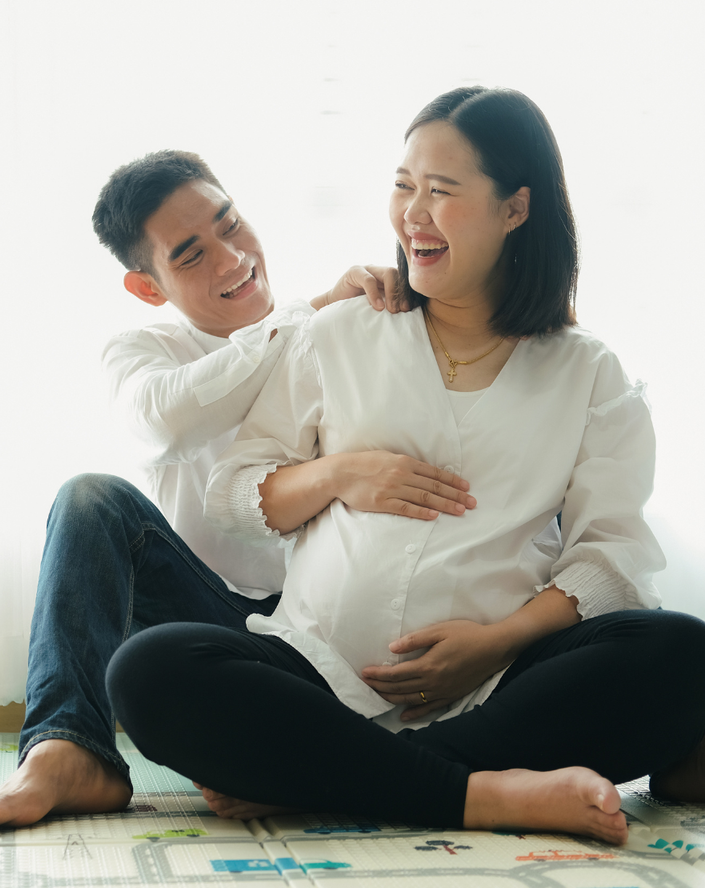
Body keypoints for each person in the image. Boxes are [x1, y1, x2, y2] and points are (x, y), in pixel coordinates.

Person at [106, 88, 705, 846]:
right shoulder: (340, 332)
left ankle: (328, 773)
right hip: (313, 670)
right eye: (403, 185)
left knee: (681, 653)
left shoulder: (588, 373)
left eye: (441, 192)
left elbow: (612, 554)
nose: (412, 213)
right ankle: (481, 794)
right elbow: (233, 493)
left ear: (515, 210)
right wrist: (337, 474)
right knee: (149, 669)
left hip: (499, 684)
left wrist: (494, 644)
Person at [0, 151, 477, 832]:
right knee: (89, 500)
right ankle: (67, 751)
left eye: (232, 224)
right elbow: (161, 419)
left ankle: (300, 765)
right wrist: (303, 314)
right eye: (193, 255)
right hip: (200, 628)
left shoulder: (339, 332)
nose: (231, 259)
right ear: (148, 286)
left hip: (319, 632)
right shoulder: (149, 350)